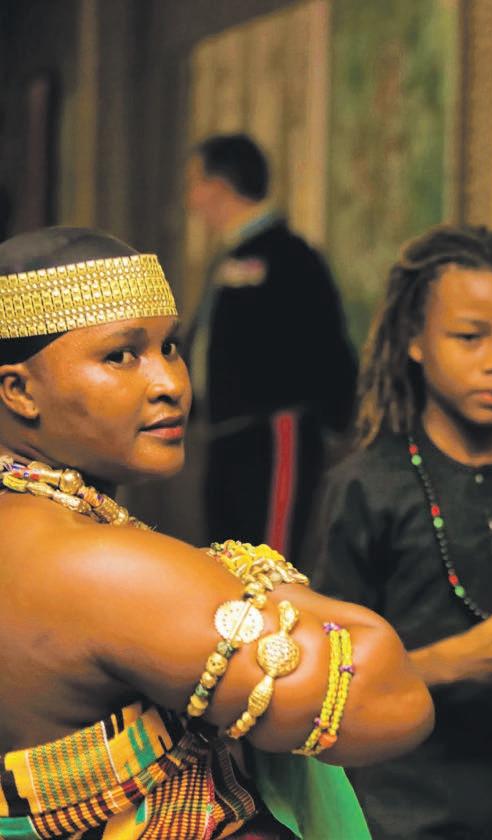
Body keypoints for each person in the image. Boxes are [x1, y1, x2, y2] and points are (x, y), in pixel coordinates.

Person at [0, 226, 434, 839]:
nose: (171, 384)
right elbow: (390, 701)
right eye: (121, 356)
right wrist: (249, 572)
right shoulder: (93, 565)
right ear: (19, 391)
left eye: (169, 347)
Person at [305, 225, 492, 839]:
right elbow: (324, 678)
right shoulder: (367, 485)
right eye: (470, 337)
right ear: (415, 341)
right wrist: (449, 663)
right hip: (401, 809)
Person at [184, 133, 357, 561]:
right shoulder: (229, 257)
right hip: (225, 435)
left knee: (267, 563)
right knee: (225, 559)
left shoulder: (289, 255)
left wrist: (335, 418)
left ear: (219, 185)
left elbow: (325, 347)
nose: (191, 199)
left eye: (195, 183)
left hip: (275, 437)